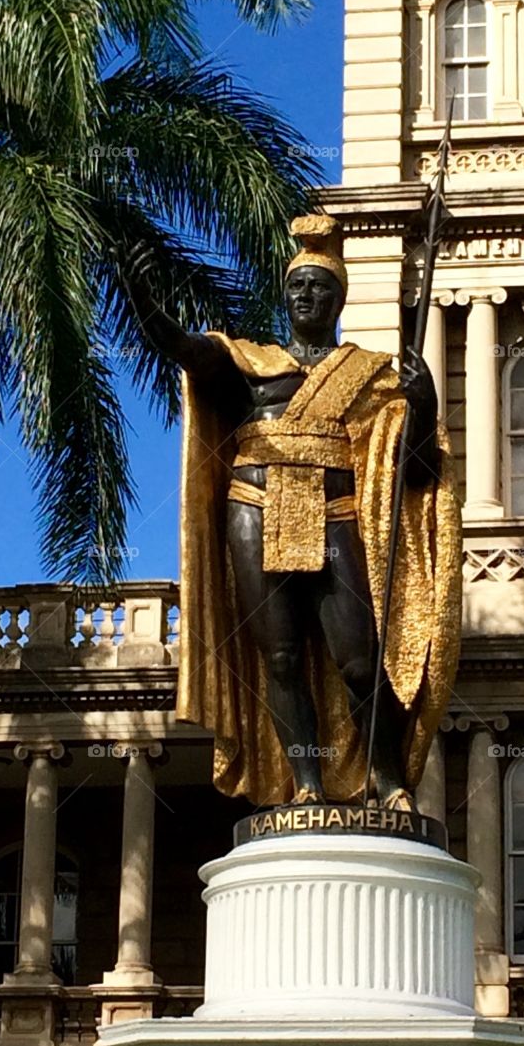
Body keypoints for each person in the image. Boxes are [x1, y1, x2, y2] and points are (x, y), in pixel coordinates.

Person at [127, 215, 461, 809]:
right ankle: (305, 783)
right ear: (285, 297)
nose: (306, 295)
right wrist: (146, 306)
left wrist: (425, 403)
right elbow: (187, 351)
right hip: (254, 505)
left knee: (359, 661)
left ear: (339, 299)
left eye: (319, 287)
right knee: (279, 657)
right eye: (297, 286)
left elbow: (418, 475)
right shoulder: (252, 363)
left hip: (337, 510)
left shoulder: (373, 375)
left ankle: (388, 780)